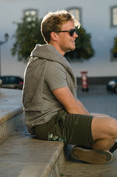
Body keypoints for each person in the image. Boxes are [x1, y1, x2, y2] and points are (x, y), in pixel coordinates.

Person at [22, 10, 117, 164]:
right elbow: (72, 107)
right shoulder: (50, 65)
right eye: (71, 32)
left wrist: (93, 124)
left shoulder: (51, 59)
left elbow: (74, 103)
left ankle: (87, 152)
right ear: (55, 35)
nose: (76, 35)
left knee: (106, 120)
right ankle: (95, 147)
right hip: (46, 125)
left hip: (53, 118)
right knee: (112, 127)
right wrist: (94, 128)